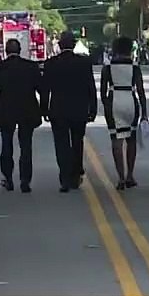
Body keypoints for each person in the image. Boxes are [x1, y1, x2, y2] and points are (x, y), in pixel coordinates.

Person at [43, 31, 97, 192]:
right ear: (74, 45)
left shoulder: (51, 63)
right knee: (77, 142)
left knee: (61, 144)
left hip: (58, 108)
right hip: (79, 109)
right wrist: (92, 108)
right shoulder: (84, 63)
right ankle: (75, 174)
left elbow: (45, 89)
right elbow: (90, 88)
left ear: (59, 45)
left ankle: (65, 177)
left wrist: (44, 108)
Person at [0, 38, 42, 193]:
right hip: (27, 109)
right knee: (26, 146)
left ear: (6, 51)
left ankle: (8, 178)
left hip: (7, 110)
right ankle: (25, 180)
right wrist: (43, 107)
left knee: (6, 145)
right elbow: (41, 87)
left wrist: (0, 101)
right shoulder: (31, 67)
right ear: (20, 51)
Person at [100, 36, 148, 191]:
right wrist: (145, 112)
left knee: (116, 139)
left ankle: (120, 177)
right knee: (131, 139)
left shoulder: (108, 67)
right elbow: (140, 90)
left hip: (114, 99)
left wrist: (107, 104)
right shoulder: (135, 67)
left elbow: (102, 91)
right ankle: (130, 175)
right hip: (130, 100)